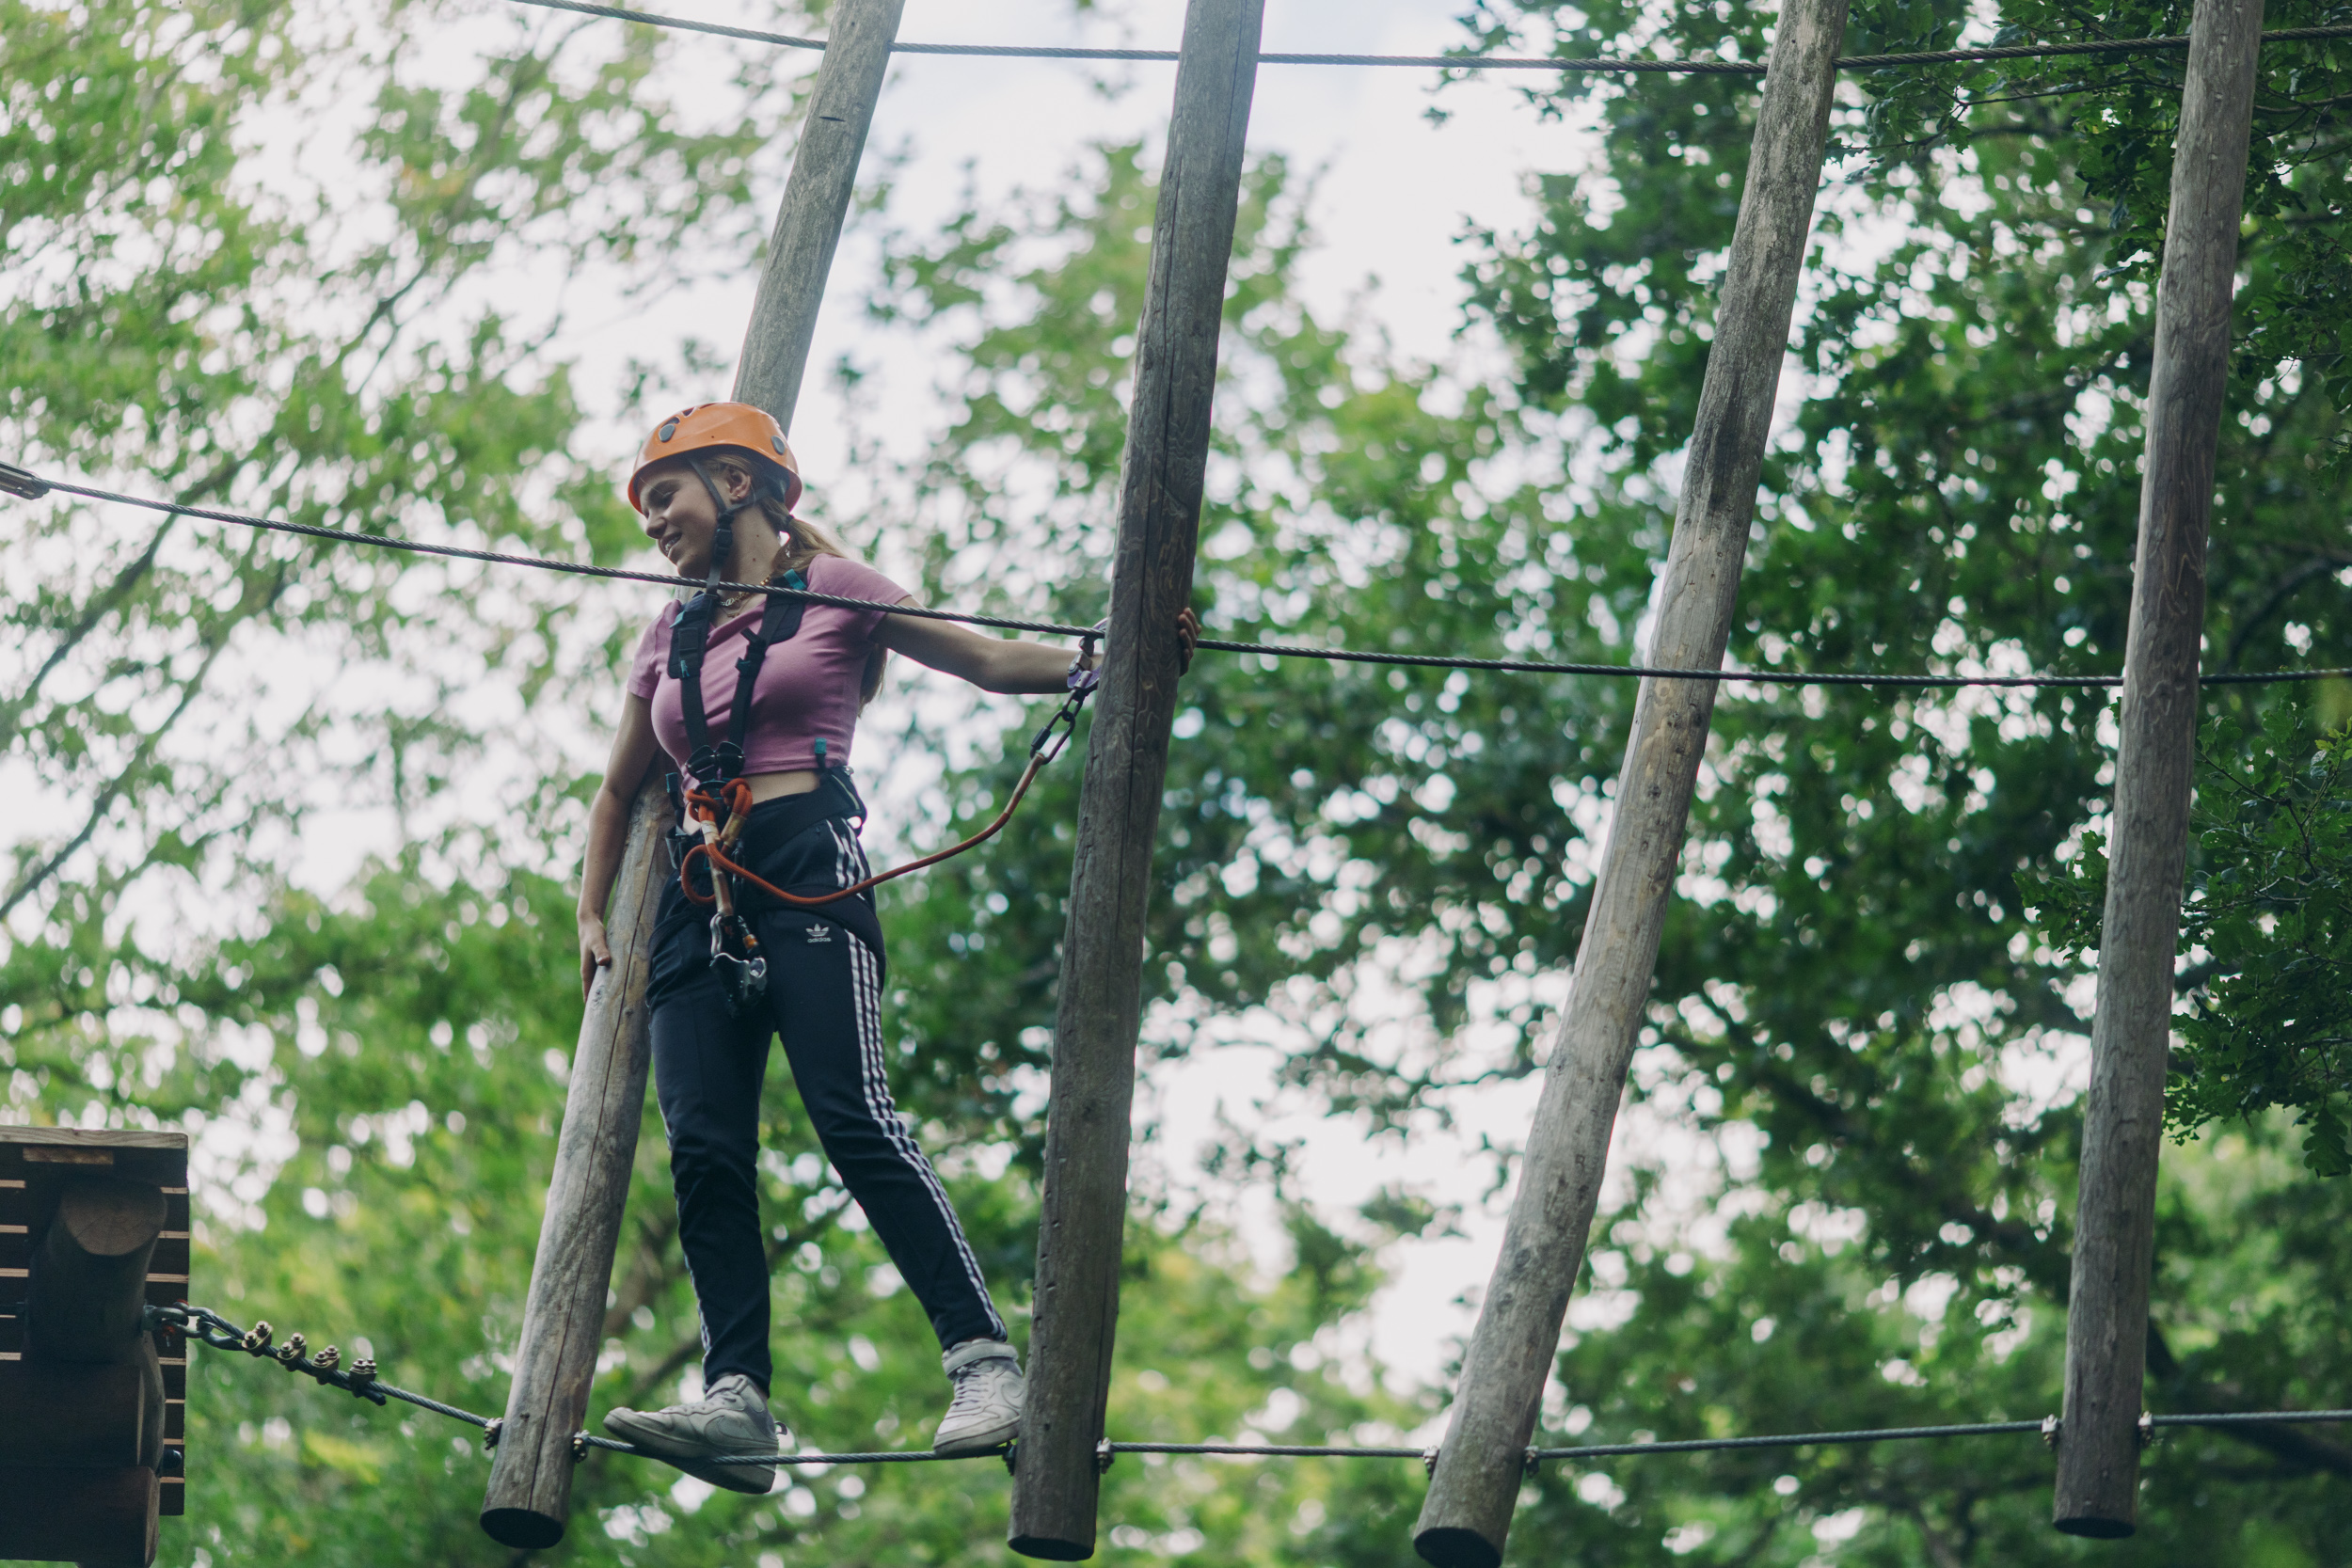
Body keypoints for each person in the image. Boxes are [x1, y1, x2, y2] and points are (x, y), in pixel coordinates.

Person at [575, 403, 1196, 1494]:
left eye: (664, 497)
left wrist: (1113, 661)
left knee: (853, 1116)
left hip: (807, 858)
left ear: (737, 483)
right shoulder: (664, 633)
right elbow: (621, 787)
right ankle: (737, 1401)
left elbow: (990, 663)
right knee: (707, 1150)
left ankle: (982, 1360)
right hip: (693, 894)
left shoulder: (842, 589)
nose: (653, 524)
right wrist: (590, 915)